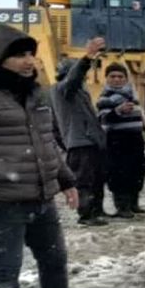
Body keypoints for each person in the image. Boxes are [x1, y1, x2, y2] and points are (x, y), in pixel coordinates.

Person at [0, 24, 107, 288]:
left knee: (54, 261)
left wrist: (66, 180)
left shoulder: (35, 92)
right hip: (0, 202)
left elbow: (47, 142)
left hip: (41, 197)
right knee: (5, 274)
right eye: (18, 55)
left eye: (30, 53)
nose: (28, 60)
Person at [53, 37, 110, 226]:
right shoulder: (63, 89)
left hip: (90, 142)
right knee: (84, 180)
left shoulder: (77, 92)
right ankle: (86, 214)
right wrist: (87, 58)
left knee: (97, 178)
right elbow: (74, 78)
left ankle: (96, 210)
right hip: (80, 143)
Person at [97, 63, 145, 218]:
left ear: (126, 79)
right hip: (117, 141)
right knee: (120, 173)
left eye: (120, 76)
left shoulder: (133, 96)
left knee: (137, 171)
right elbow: (103, 119)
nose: (117, 80)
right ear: (106, 78)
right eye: (113, 76)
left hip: (135, 139)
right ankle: (122, 206)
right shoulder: (104, 98)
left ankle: (134, 203)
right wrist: (118, 111)